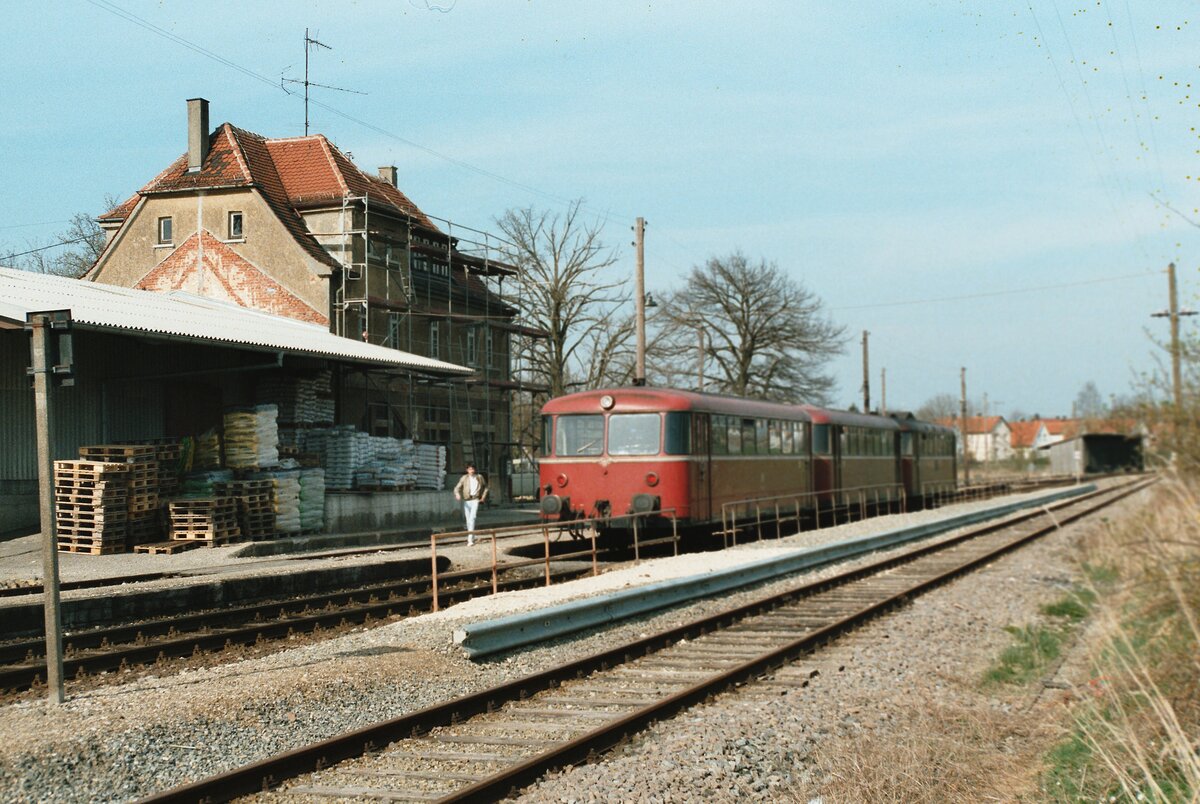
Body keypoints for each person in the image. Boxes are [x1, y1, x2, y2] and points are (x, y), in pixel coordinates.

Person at [453, 462, 489, 545]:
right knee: (468, 520)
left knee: (473, 518)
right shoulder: (464, 478)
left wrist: (483, 497)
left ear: (475, 469)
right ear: (467, 470)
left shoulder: (479, 477)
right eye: (470, 469)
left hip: (475, 499)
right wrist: (457, 494)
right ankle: (472, 536)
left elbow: (486, 487)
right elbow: (457, 488)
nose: (471, 471)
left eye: (473, 469)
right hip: (466, 500)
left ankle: (470, 540)